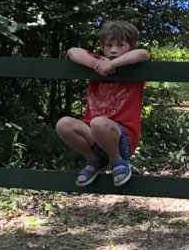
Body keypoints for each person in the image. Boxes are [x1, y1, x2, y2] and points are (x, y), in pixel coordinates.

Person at [56, 19, 150, 189]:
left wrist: (112, 65)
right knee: (63, 124)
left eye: (121, 45)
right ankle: (94, 159)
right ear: (103, 47)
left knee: (98, 122)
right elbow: (72, 51)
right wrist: (97, 64)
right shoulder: (97, 62)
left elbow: (143, 54)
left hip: (122, 139)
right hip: (94, 134)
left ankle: (117, 161)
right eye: (109, 45)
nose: (113, 50)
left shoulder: (135, 66)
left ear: (131, 46)